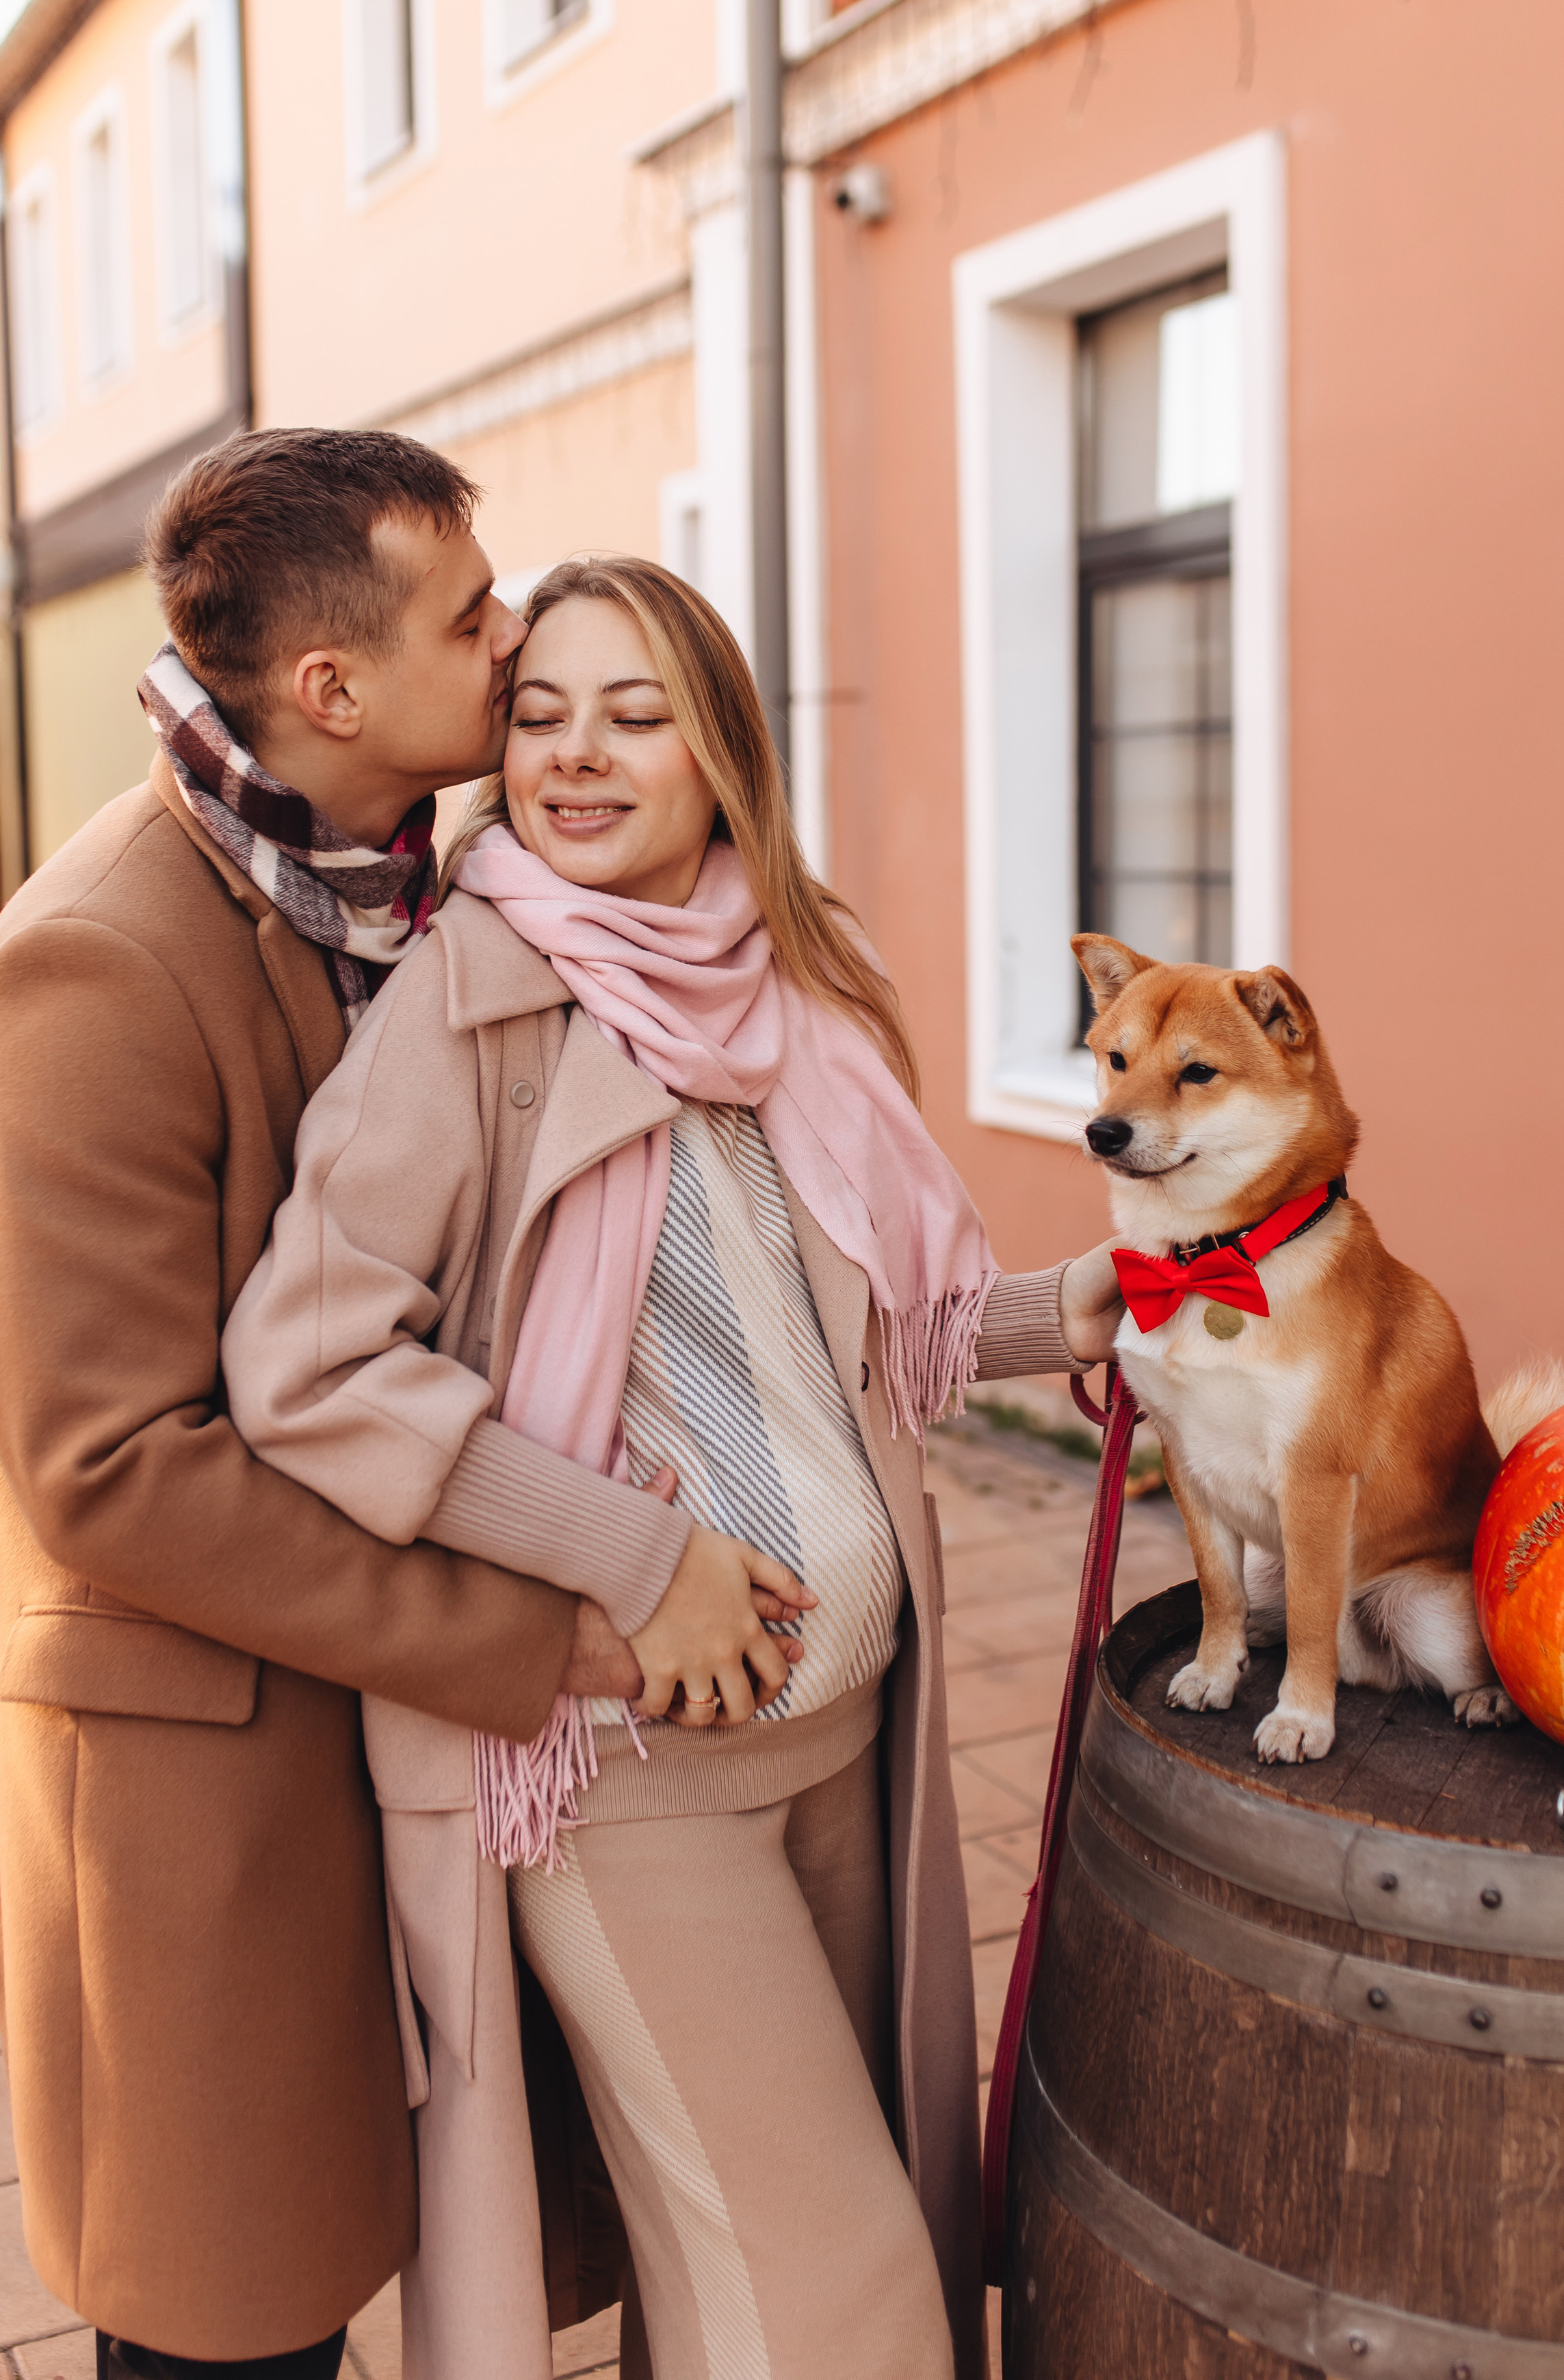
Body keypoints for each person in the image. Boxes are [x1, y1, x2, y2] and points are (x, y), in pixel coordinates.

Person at [0, 437, 802, 2380]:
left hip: (387, 1732)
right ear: (333, 692)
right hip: (205, 1782)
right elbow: (118, 1480)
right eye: (474, 616)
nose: (509, 652)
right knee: (237, 2324)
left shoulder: (403, 887)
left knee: (466, 2228)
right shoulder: (91, 969)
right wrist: (558, 1626)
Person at [222, 553, 1125, 2380]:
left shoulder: (785, 990)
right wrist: (629, 1559)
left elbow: (836, 1318)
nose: (576, 755)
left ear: (722, 752)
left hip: (843, 1728)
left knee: (732, 2290)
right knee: (850, 2300)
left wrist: (1065, 1312)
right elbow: (304, 1369)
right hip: (622, 1766)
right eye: (540, 714)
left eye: (636, 716)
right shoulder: (468, 1010)